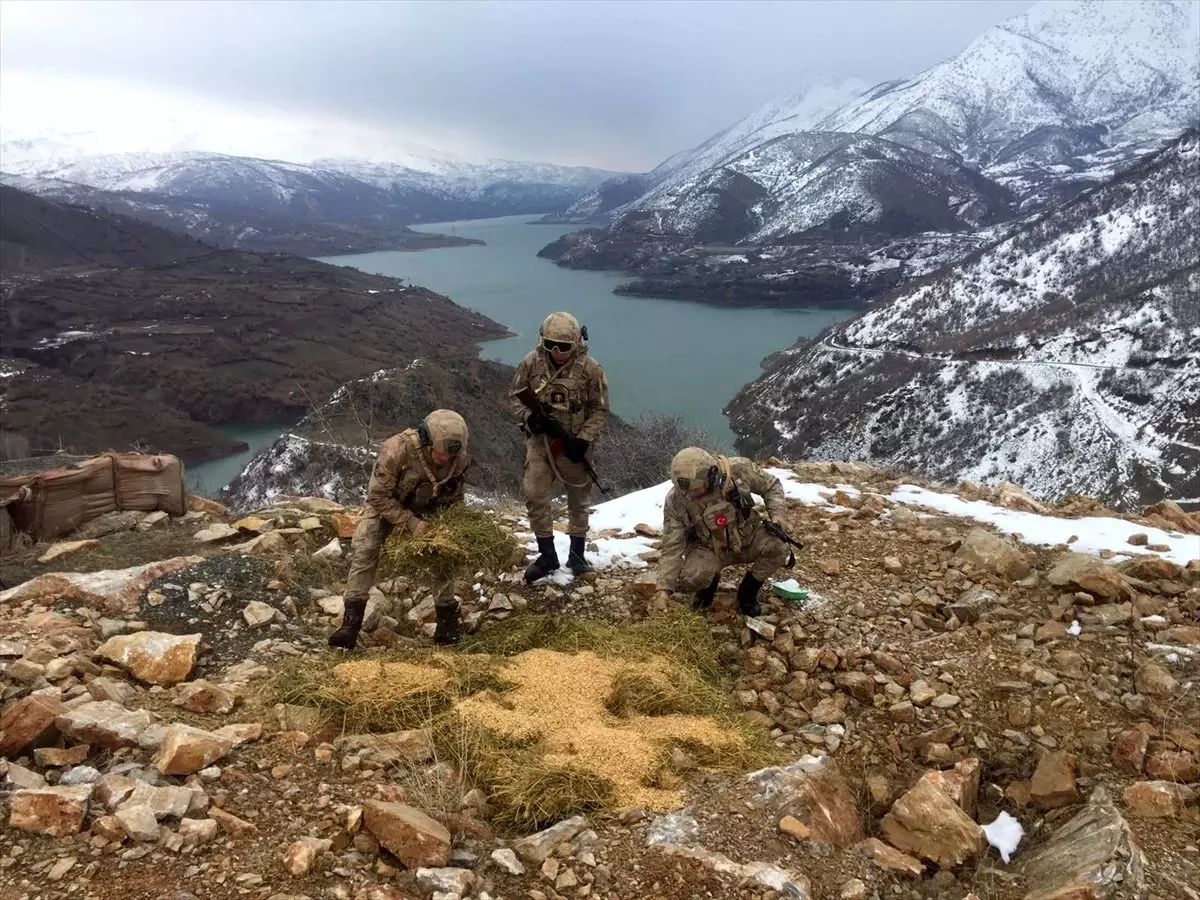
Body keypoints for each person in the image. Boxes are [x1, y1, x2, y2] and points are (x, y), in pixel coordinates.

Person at [328, 409, 472, 650]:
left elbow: (456, 497)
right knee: (366, 547)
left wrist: (446, 527)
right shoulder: (396, 450)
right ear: (427, 439)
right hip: (389, 504)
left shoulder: (458, 459)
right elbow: (378, 495)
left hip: (430, 507)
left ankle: (447, 623)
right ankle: (350, 626)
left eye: (451, 454)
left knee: (445, 554)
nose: (444, 459)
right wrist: (410, 523)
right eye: (440, 452)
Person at [509, 311, 609, 582]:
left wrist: (584, 438)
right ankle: (547, 555)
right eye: (551, 344)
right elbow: (515, 397)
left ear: (576, 344)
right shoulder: (531, 363)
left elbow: (599, 409)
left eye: (564, 346)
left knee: (579, 498)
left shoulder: (590, 369)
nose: (557, 351)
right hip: (540, 442)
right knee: (534, 492)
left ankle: (577, 554)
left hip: (573, 442)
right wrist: (530, 417)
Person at [651, 447, 790, 617]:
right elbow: (672, 547)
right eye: (684, 489)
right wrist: (663, 591)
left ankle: (748, 592)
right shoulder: (676, 500)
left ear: (710, 475)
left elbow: (771, 486)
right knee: (691, 577)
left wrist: (778, 516)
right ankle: (709, 584)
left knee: (779, 546)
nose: (688, 494)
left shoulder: (739, 470)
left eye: (694, 488)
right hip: (710, 549)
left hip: (748, 538)